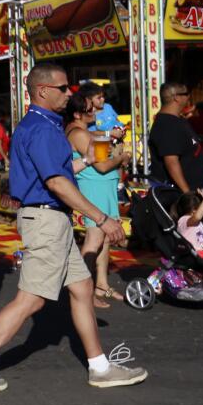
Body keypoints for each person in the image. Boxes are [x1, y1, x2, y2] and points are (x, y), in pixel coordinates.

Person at [0, 62, 148, 392]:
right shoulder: (46, 128)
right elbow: (57, 182)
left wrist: (95, 155)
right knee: (31, 300)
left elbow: (68, 167)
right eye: (63, 88)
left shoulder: (45, 125)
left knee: (81, 288)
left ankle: (99, 367)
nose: (70, 94)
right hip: (46, 219)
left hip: (51, 219)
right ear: (43, 91)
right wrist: (103, 219)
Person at [64, 92, 131, 309]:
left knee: (105, 238)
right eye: (89, 109)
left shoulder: (85, 130)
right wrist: (121, 158)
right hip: (95, 188)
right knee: (94, 239)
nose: (95, 111)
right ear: (77, 114)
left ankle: (101, 284)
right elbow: (101, 165)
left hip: (103, 186)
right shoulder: (78, 133)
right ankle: (84, 290)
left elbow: (101, 155)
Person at [149, 82, 203, 193]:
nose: (189, 97)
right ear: (176, 97)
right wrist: (187, 193)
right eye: (186, 94)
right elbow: (171, 162)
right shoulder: (167, 125)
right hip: (179, 197)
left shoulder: (177, 120)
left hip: (196, 190)